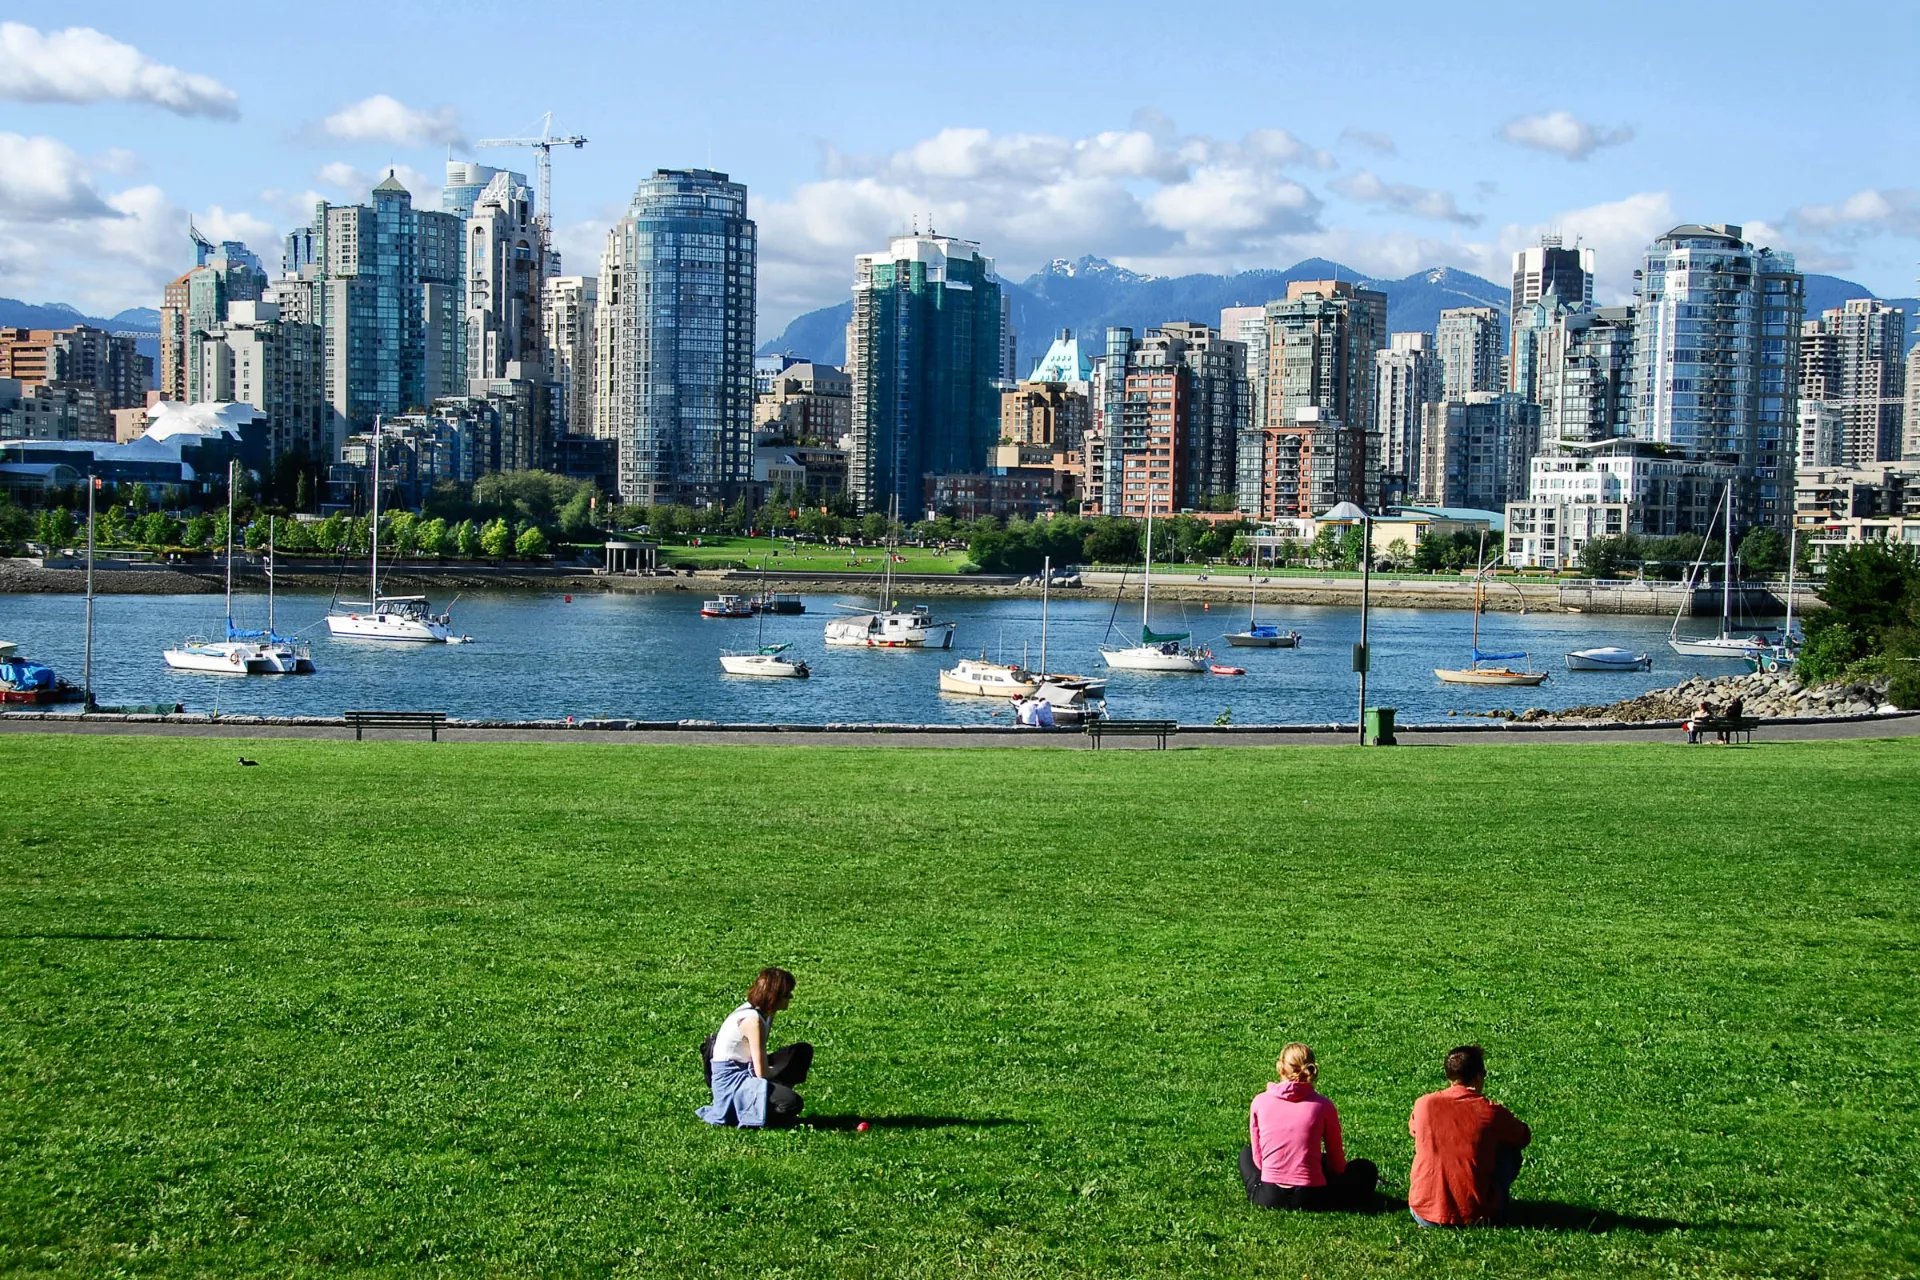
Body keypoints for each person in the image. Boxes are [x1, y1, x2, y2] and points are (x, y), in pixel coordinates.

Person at [1239, 1043, 1379, 1211]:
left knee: (1246, 1154)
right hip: (1312, 1196)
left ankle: (1261, 1190)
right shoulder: (1323, 1106)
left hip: (1269, 1195)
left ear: (1280, 1068)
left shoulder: (1260, 1102)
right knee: (1365, 1169)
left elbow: (1259, 1161)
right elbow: (1338, 1166)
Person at [1408, 1044, 1531, 1227]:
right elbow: (1523, 1136)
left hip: (1424, 1214)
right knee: (1509, 1151)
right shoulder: (1491, 1112)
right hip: (1479, 1216)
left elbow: (1414, 1130)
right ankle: (1491, 1199)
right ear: (1478, 1076)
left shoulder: (1424, 1104)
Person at [696, 967, 813, 1128]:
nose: (791, 997)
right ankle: (753, 1113)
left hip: (747, 1067)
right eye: (787, 994)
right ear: (774, 997)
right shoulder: (752, 1021)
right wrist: (778, 1067)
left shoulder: (764, 1013)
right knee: (792, 1103)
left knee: (801, 1051)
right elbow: (762, 1073)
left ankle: (771, 1097)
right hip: (734, 1081)